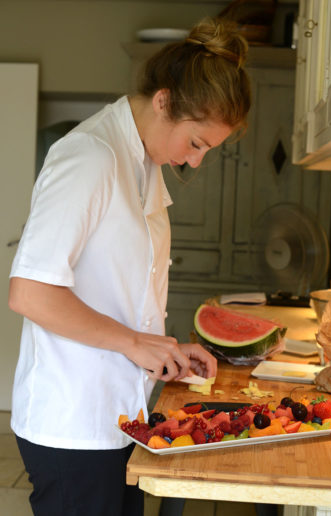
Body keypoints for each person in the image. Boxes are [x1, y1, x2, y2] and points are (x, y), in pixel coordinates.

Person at [8, 16, 251, 516]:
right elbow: (29, 293)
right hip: (73, 424)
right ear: (164, 101)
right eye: (197, 143)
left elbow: (120, 291)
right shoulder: (89, 156)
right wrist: (135, 343)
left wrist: (163, 349)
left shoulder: (141, 162)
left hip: (120, 416)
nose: (196, 161)